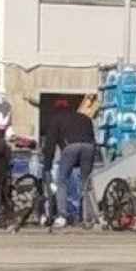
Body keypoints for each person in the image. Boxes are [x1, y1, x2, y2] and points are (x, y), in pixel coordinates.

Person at [42, 94, 102, 227]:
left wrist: (47, 166)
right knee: (86, 183)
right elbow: (92, 138)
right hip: (89, 147)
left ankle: (62, 216)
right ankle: (87, 217)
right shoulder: (84, 118)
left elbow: (50, 145)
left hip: (71, 147)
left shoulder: (56, 119)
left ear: (56, 109)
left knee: (61, 181)